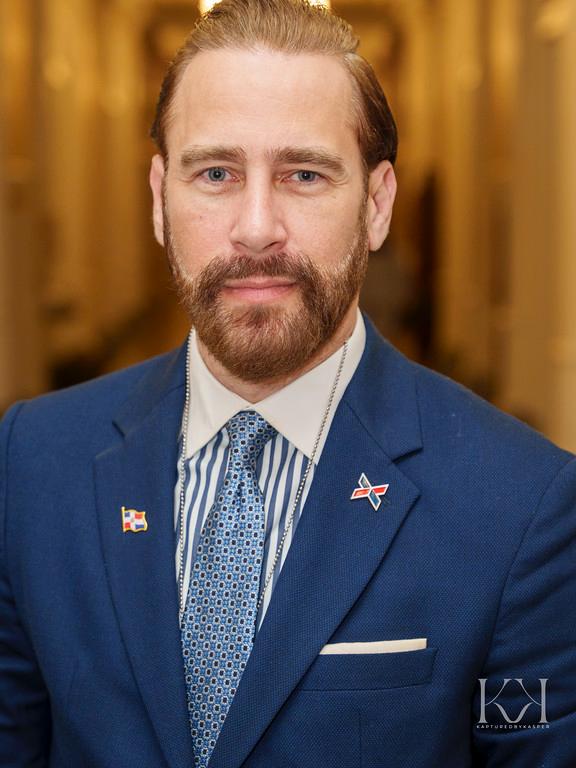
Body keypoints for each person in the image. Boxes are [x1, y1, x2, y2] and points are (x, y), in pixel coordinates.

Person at [1, 0, 575, 765]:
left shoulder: (523, 505)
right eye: (216, 173)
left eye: (304, 174)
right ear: (160, 199)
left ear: (377, 205)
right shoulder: (32, 464)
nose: (256, 227)